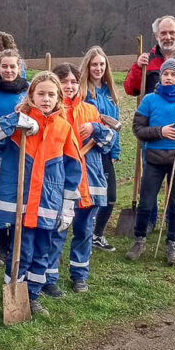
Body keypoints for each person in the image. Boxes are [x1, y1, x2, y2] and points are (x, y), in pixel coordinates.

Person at [0, 71, 83, 315]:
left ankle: (34, 296)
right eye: (41, 94)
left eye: (51, 94)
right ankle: (13, 295)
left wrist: (68, 206)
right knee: (20, 251)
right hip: (21, 203)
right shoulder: (19, 122)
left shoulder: (63, 128)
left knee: (42, 253)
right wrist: (12, 122)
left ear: (59, 97)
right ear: (31, 96)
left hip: (48, 203)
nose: (46, 99)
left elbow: (73, 168)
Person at [122, 15, 175, 233]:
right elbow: (131, 89)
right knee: (150, 184)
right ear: (156, 36)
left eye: (171, 33)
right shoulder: (147, 60)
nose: (167, 37)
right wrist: (138, 67)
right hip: (152, 134)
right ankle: (149, 222)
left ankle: (174, 225)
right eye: (163, 33)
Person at [125, 59, 175, 265]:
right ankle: (139, 240)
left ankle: (173, 245)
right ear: (160, 76)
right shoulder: (149, 100)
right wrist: (160, 131)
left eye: (173, 74)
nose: (169, 78)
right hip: (153, 159)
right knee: (146, 202)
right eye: (165, 74)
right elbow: (138, 130)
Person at [53, 62, 117, 294]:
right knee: (57, 230)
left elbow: (109, 142)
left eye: (73, 81)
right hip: (62, 183)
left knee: (83, 231)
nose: (69, 86)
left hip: (90, 182)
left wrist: (95, 129)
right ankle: (50, 277)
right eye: (64, 81)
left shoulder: (90, 111)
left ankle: (79, 275)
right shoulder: (52, 111)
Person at [0, 48, 30, 261]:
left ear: (19, 67)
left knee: (22, 195)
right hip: (0, 153)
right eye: (4, 66)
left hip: (24, 153)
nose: (9, 70)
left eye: (13, 66)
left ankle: (18, 238)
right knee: (0, 195)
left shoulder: (29, 90)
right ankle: (2, 243)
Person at [78, 46, 120, 252]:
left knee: (110, 197)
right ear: (87, 66)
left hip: (106, 150)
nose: (98, 68)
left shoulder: (110, 93)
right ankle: (83, 231)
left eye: (101, 64)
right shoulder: (82, 92)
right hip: (87, 151)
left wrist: (115, 152)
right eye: (94, 64)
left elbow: (117, 124)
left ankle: (97, 234)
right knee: (86, 196)